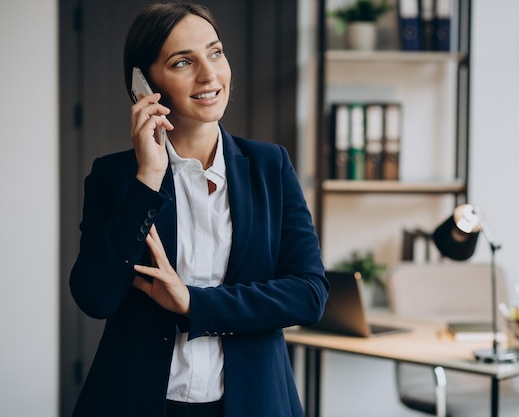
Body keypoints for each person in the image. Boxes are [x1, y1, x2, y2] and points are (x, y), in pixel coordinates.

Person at [68, 2, 328, 417]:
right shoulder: (117, 177)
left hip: (252, 402)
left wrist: (193, 303)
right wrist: (148, 178)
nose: (209, 75)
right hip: (138, 402)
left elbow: (309, 294)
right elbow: (95, 297)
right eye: (183, 62)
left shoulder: (270, 166)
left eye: (216, 52)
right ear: (143, 84)